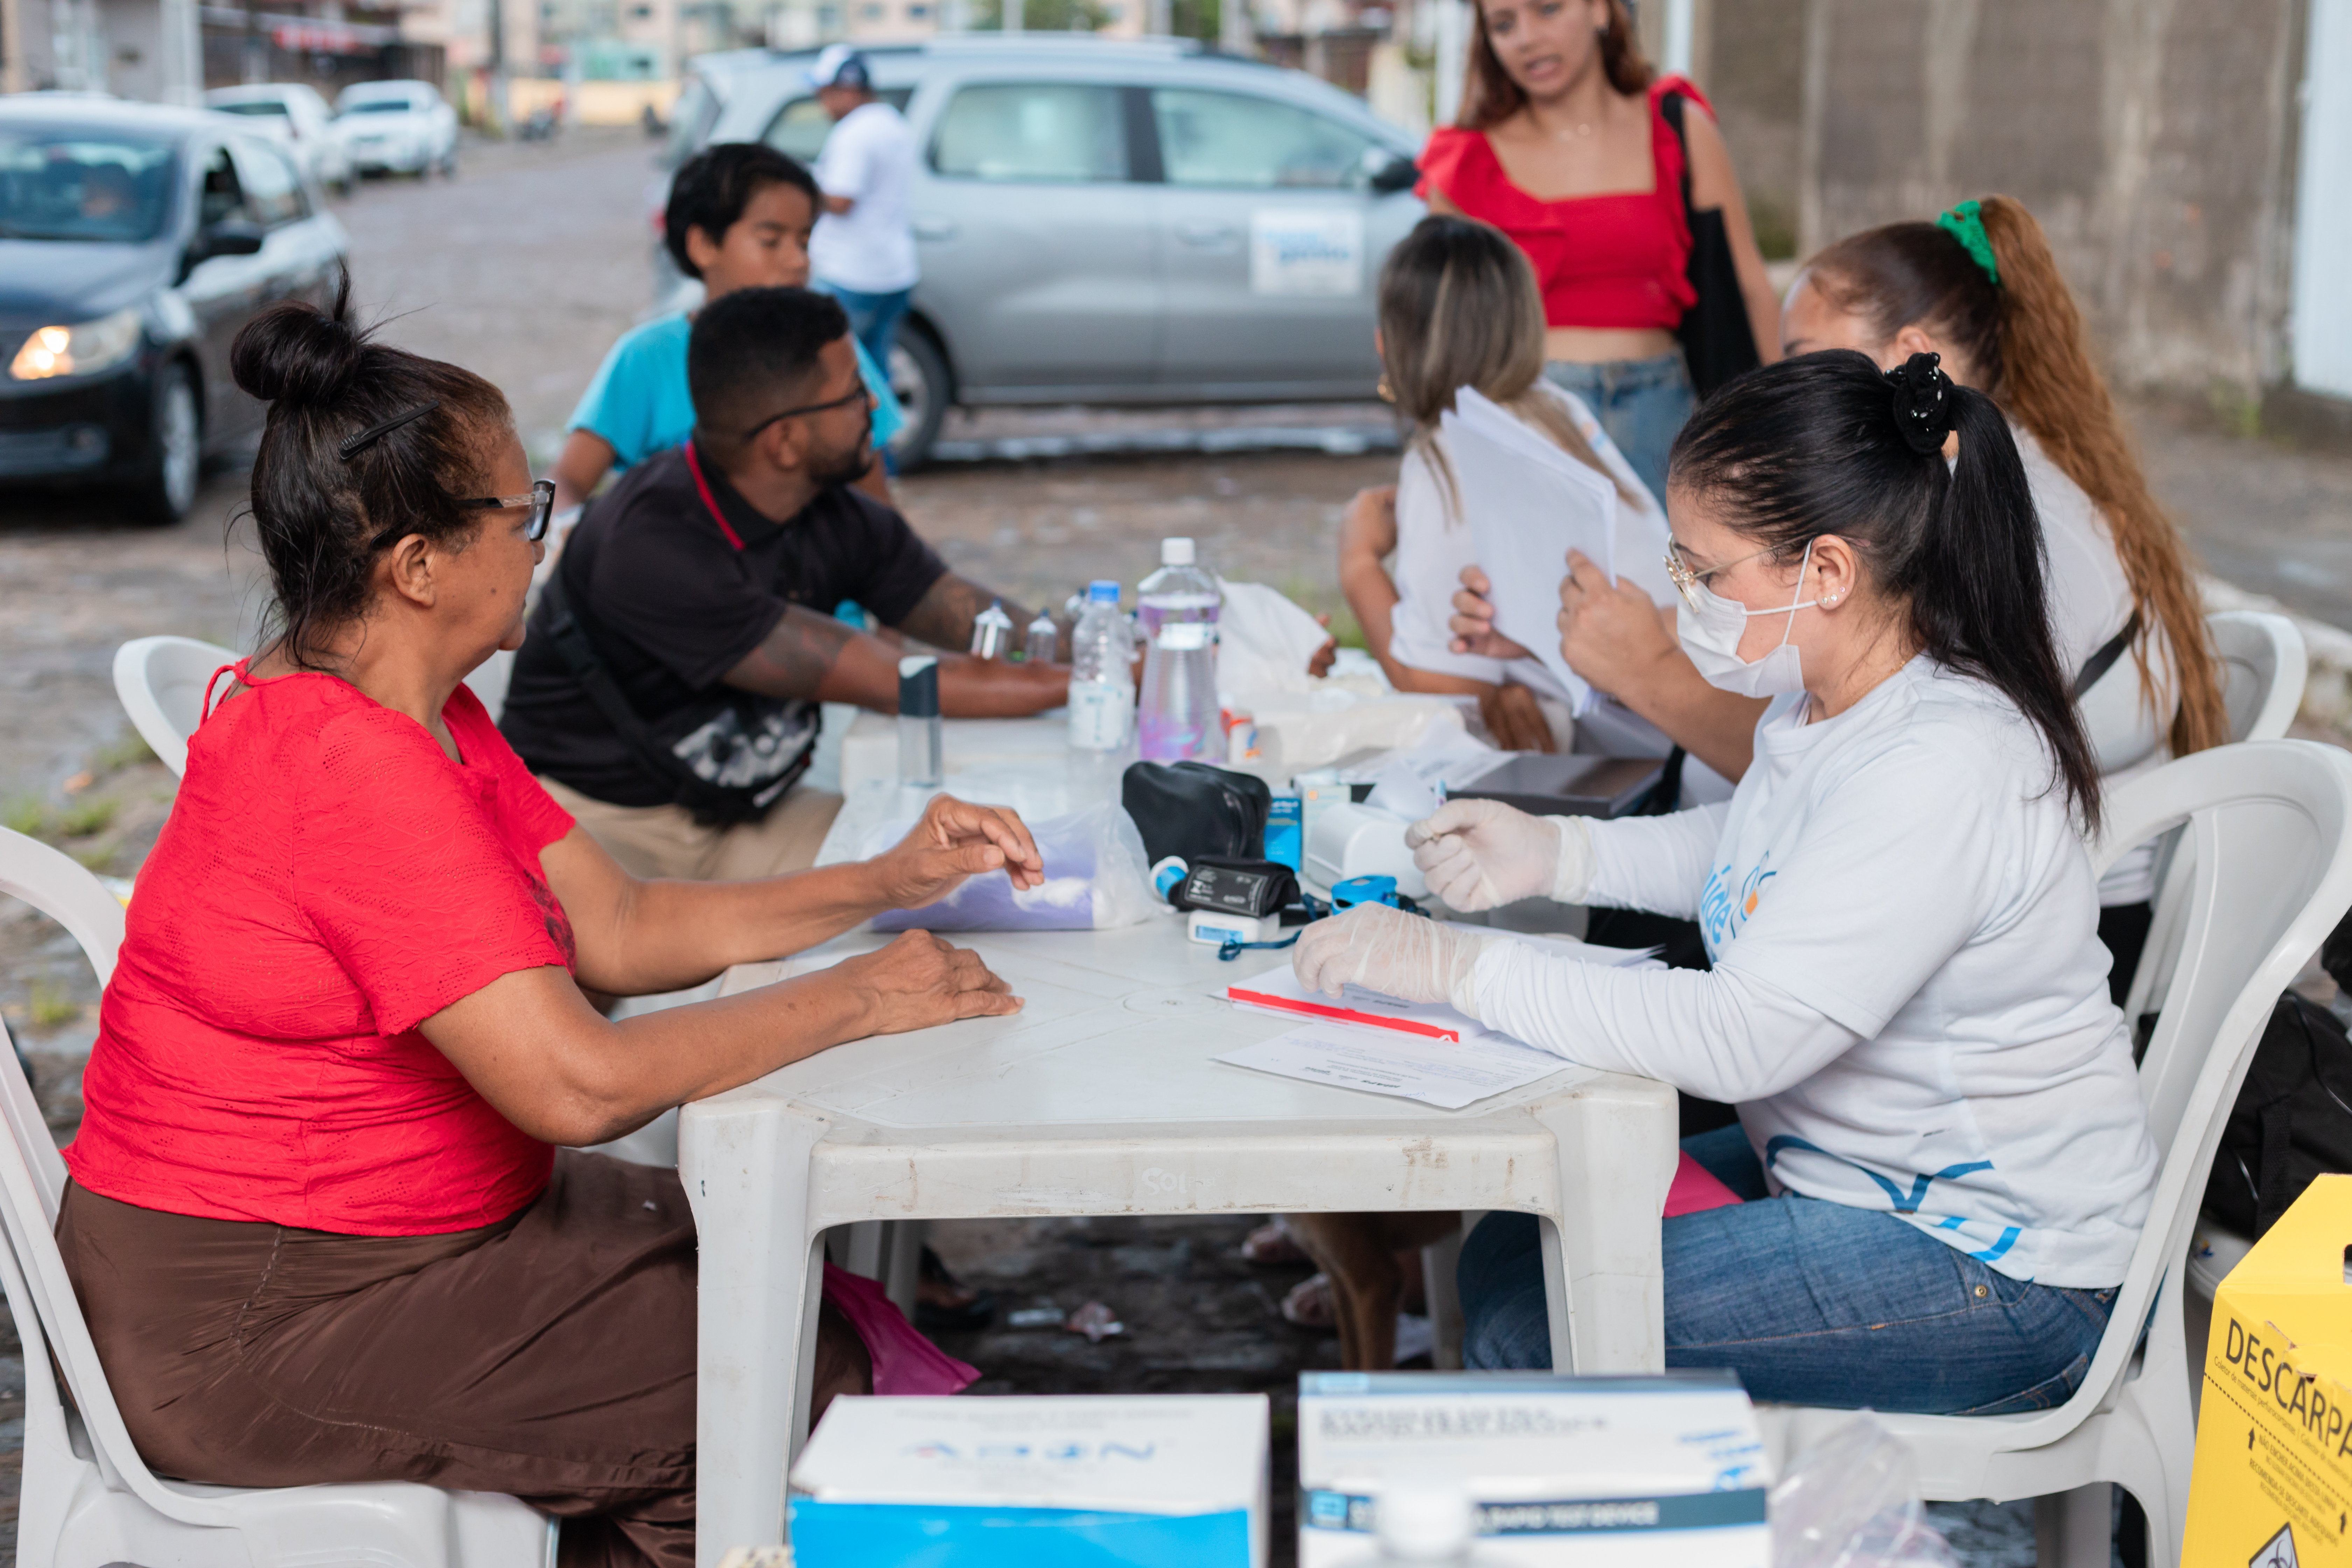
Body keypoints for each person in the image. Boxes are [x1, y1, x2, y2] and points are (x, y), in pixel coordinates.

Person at [58, 281, 1040, 1568]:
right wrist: (862, 994)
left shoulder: (409, 706)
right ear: (415, 567)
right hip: (252, 1327)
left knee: (764, 1260)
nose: (542, 540)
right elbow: (578, 1085)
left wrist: (879, 881)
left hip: (376, 1249)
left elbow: (620, 925)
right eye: (519, 516)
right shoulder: (352, 769)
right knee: (770, 1369)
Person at [1295, 350, 2158, 1413]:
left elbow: (1741, 1033)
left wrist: (1461, 968)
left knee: (1532, 1322)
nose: (1683, 597)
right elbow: (1747, 847)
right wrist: (1556, 853)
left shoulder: (1942, 762)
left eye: (1707, 573)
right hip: (1852, 1180)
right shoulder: (1831, 699)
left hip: (2004, 1267)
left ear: (1828, 570)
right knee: (1511, 1249)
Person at [499, 286, 1066, 884]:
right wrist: (1101, 681)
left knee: (965, 875)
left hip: (750, 816)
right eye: (852, 392)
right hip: (595, 827)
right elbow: (899, 683)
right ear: (786, 441)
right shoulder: (651, 547)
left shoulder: (833, 513)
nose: (874, 402)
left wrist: (1102, 644)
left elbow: (968, 615)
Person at [1336, 213, 1687, 763]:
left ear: (1389, 346)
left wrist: (1358, 562)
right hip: (1681, 721)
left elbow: (1420, 672)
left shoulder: (1447, 455)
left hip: (1639, 756)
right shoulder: (1558, 410)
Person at [1415, 0, 1778, 503]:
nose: (1526, 37)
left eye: (1547, 9)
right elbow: (1440, 330)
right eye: (1504, 24)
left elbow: (1750, 287)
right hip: (1527, 417)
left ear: (1601, 11)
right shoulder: (1465, 162)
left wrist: (1790, 425)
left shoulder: (1678, 125)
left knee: (1680, 578)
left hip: (1670, 416)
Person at [550, 141, 904, 513]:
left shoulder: (834, 351)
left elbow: (876, 504)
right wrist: (567, 538)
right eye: (771, 241)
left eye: (805, 241)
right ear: (703, 244)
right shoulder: (647, 357)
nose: (798, 261)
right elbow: (569, 480)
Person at [805, 46, 919, 377]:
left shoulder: (855, 133)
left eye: (824, 92)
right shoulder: (893, 123)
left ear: (848, 89)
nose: (820, 101)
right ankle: (881, 430)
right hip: (894, 271)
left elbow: (841, 200)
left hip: (851, 273)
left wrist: (801, 188)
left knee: (833, 375)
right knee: (875, 369)